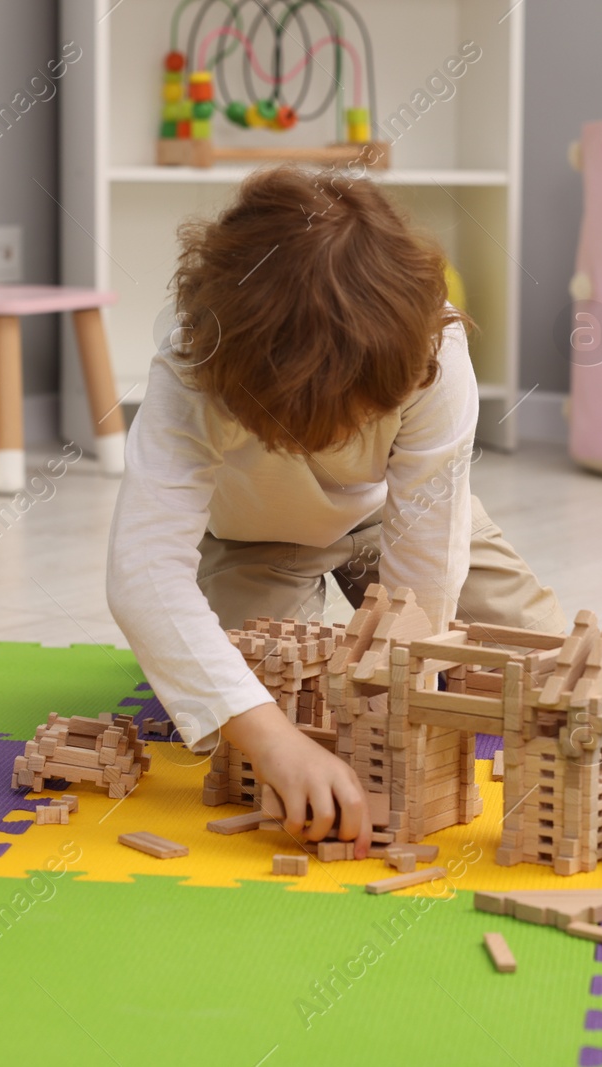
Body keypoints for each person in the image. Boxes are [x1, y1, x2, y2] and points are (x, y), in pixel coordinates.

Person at [107, 166, 562, 857]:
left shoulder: (432, 347)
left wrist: (397, 697)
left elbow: (427, 565)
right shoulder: (194, 362)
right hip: (257, 539)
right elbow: (143, 573)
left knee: (552, 661)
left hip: (390, 518)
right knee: (257, 703)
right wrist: (275, 741)